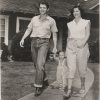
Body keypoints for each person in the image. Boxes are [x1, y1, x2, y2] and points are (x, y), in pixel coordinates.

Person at [20, 1, 58, 96]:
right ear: (39, 8)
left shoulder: (51, 21)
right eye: (40, 7)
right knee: (36, 65)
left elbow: (55, 34)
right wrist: (23, 38)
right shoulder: (34, 19)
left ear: (47, 9)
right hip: (34, 42)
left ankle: (38, 87)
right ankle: (44, 79)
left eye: (44, 8)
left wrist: (55, 47)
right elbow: (29, 29)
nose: (42, 9)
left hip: (44, 43)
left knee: (40, 64)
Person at [64, 5, 91, 98]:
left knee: (82, 68)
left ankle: (82, 85)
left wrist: (82, 43)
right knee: (71, 68)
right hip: (71, 46)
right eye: (74, 11)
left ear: (81, 12)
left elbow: (87, 34)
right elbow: (68, 37)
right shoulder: (70, 24)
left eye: (77, 11)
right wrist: (67, 49)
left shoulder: (86, 22)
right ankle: (69, 90)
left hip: (82, 46)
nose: (75, 13)